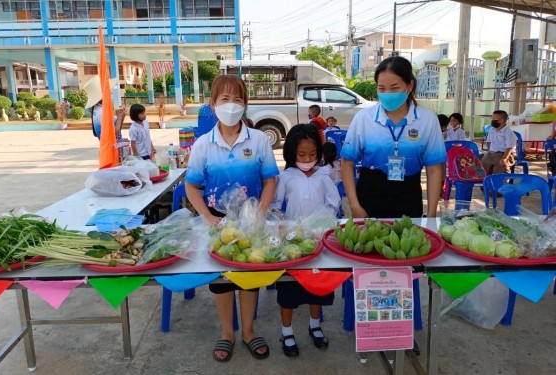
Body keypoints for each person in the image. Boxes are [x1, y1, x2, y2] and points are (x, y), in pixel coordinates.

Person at [185, 74, 278, 362]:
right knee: (223, 281)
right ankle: (228, 333)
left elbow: (270, 180)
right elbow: (192, 185)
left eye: (238, 99)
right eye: (224, 99)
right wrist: (208, 218)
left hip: (252, 219)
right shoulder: (203, 144)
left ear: (245, 105)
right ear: (213, 104)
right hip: (218, 220)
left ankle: (249, 331)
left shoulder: (259, 140)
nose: (231, 105)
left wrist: (260, 213)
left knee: (250, 276)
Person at [340, 56, 446, 219]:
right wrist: (355, 206)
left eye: (394, 88)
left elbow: (433, 169)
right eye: (381, 88)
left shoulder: (427, 120)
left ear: (409, 86)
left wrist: (431, 215)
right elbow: (347, 163)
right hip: (369, 198)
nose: (387, 94)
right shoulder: (364, 118)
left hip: (409, 198)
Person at [270, 124, 340, 358]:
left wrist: (323, 223)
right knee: (289, 288)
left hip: (317, 240)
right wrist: (282, 224)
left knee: (316, 286)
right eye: (301, 155)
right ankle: (287, 331)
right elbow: (276, 205)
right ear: (291, 154)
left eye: (312, 154)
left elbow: (334, 202)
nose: (307, 159)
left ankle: (315, 324)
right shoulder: (286, 176)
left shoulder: (324, 175)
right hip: (292, 241)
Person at [83, 75, 125, 141]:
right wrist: (119, 117)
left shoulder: (98, 110)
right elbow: (114, 133)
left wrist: (121, 116)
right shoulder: (103, 113)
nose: (111, 93)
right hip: (111, 149)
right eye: (109, 91)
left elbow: (117, 127)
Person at [480, 110, 516, 176]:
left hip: (504, 154)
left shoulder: (508, 132)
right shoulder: (492, 130)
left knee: (500, 169)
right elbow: (488, 142)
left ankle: (499, 185)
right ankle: (485, 184)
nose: (492, 120)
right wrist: (489, 151)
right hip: (492, 153)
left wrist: (504, 158)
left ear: (501, 120)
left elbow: (509, 147)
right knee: (482, 167)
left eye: (494, 119)